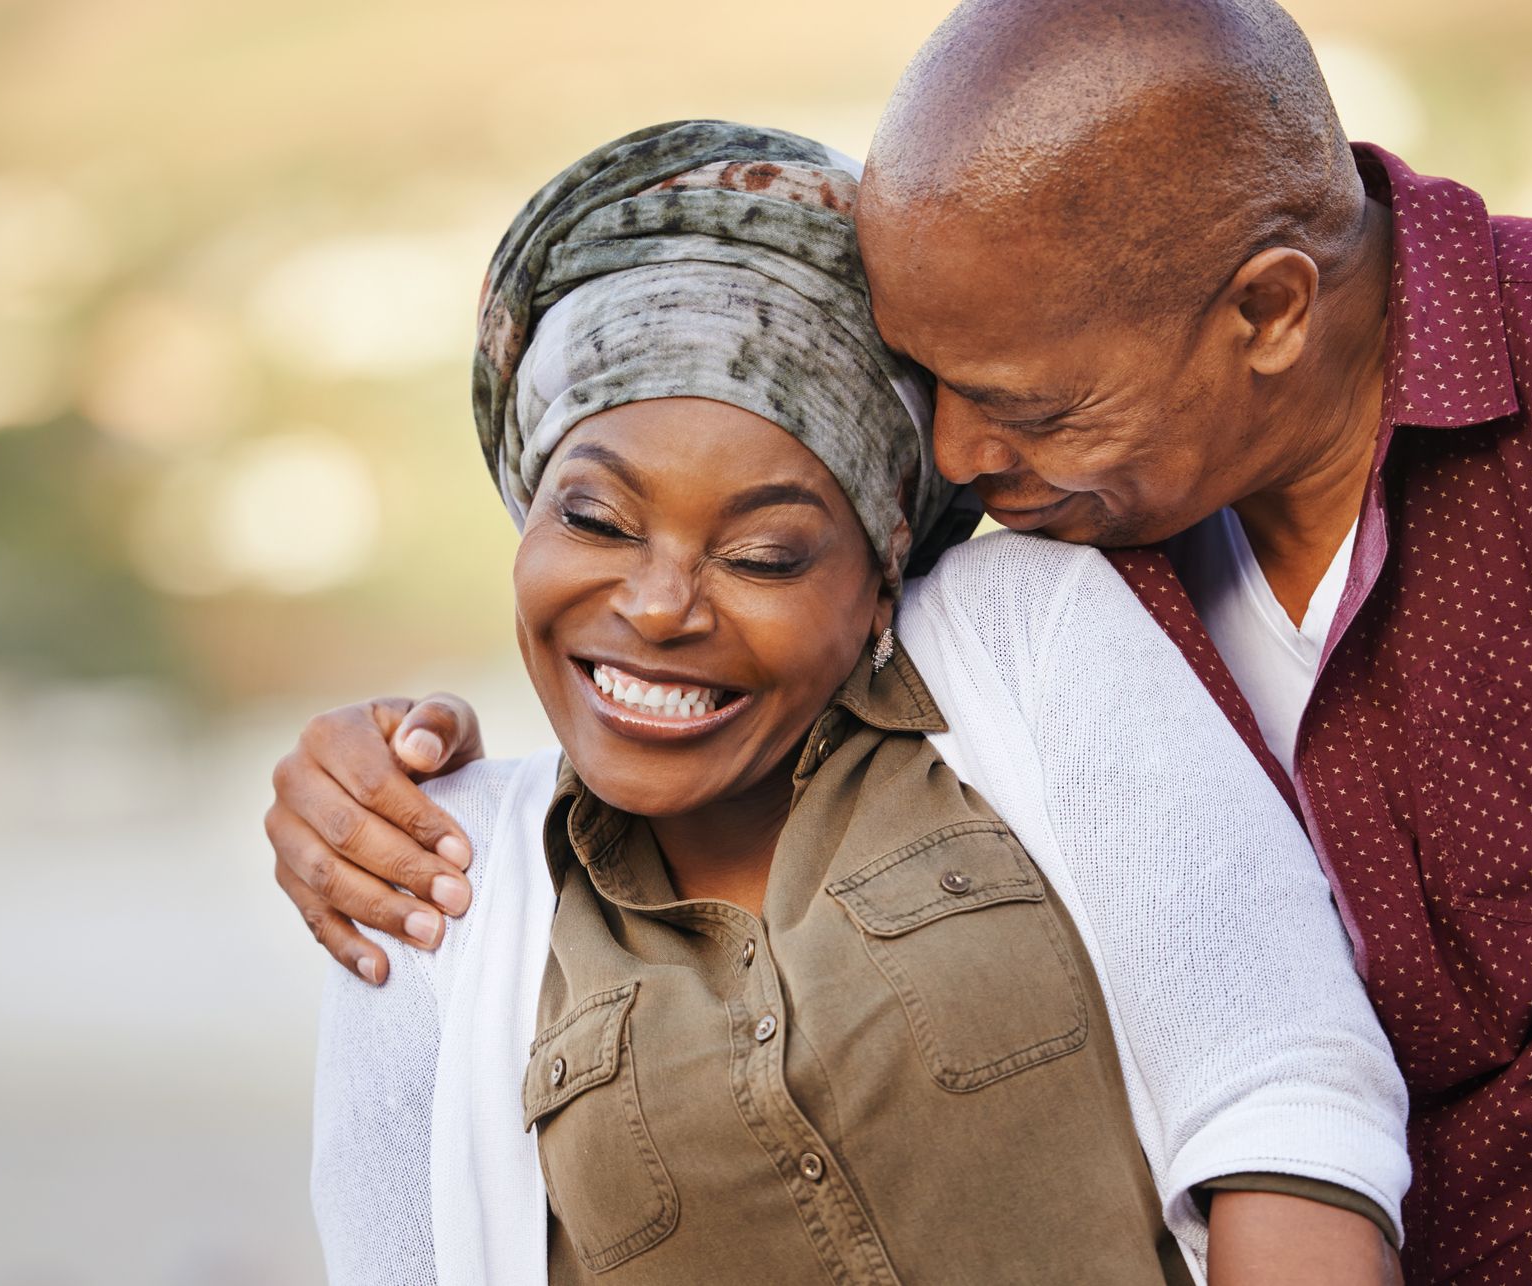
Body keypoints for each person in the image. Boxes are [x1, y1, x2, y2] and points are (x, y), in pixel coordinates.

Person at [274, 2, 1532, 1281]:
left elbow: (1278, 1085)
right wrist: (377, 775)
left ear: (1267, 310)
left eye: (1019, 398)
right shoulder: (1078, 550)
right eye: (927, 388)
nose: (951, 457)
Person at [310, 121, 1410, 1285]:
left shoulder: (1021, 640)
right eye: (593, 519)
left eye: (767, 555)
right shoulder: (432, 869)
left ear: (882, 572)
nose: (660, 604)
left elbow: (1286, 1103)